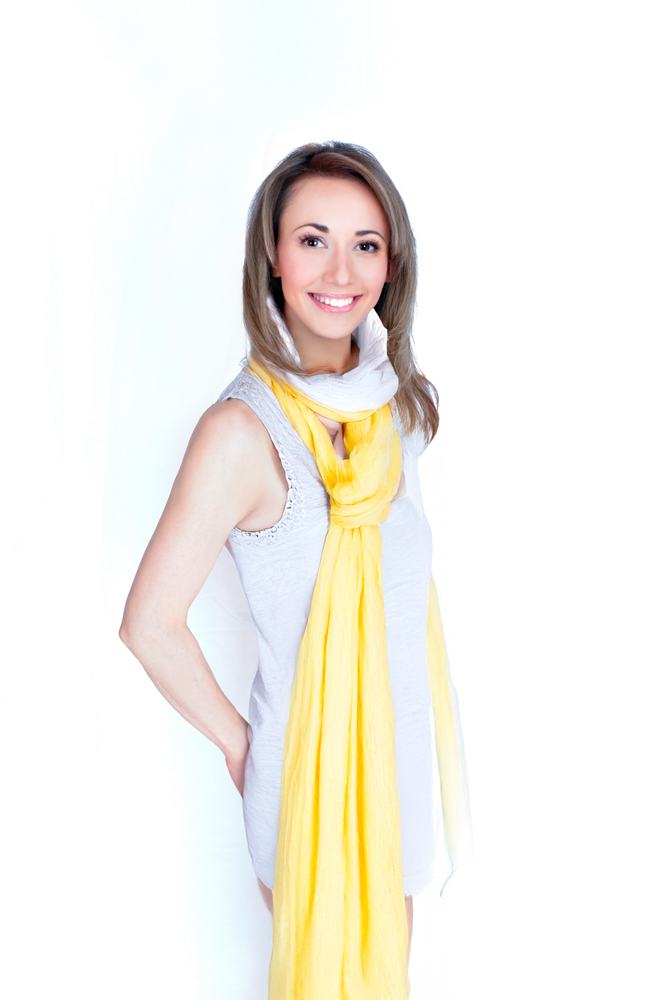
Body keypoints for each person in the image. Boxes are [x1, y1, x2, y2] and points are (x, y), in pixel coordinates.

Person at [120, 140, 472, 999]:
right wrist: (242, 746)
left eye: (365, 244)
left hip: (400, 771)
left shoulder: (398, 410)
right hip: (308, 777)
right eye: (312, 239)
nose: (339, 270)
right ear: (272, 258)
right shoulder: (240, 434)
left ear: (390, 265)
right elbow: (149, 623)